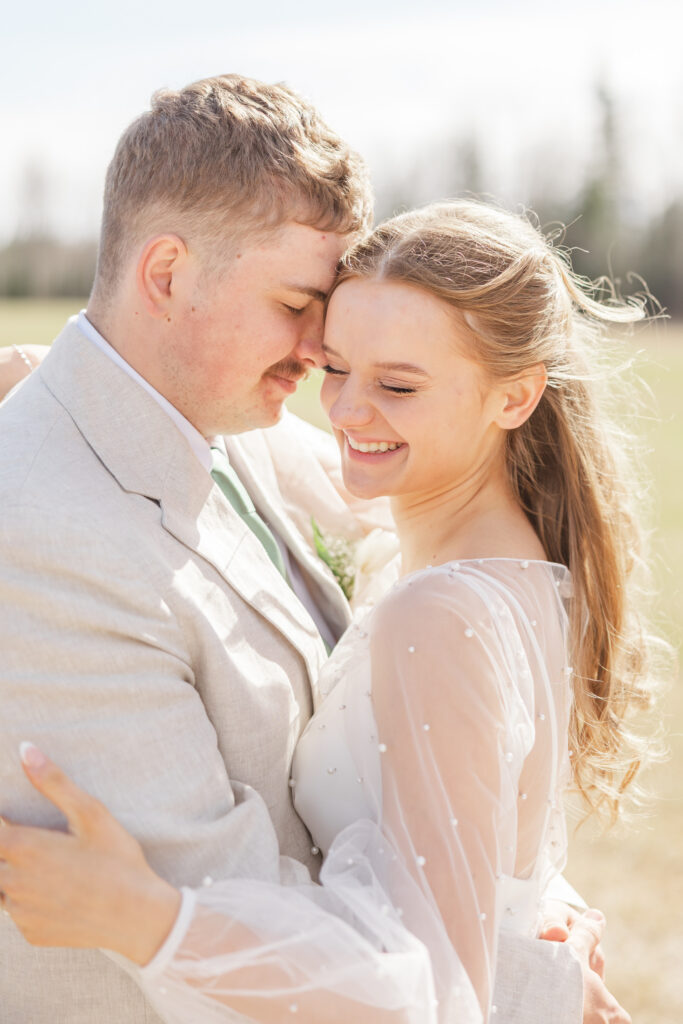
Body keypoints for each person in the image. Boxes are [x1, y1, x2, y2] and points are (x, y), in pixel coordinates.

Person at [0, 189, 650, 1021]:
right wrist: (48, 368)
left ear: (514, 397)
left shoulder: (441, 614)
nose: (345, 411)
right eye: (336, 366)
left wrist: (151, 922)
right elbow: (234, 431)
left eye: (398, 386)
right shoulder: (489, 552)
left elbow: (431, 988)